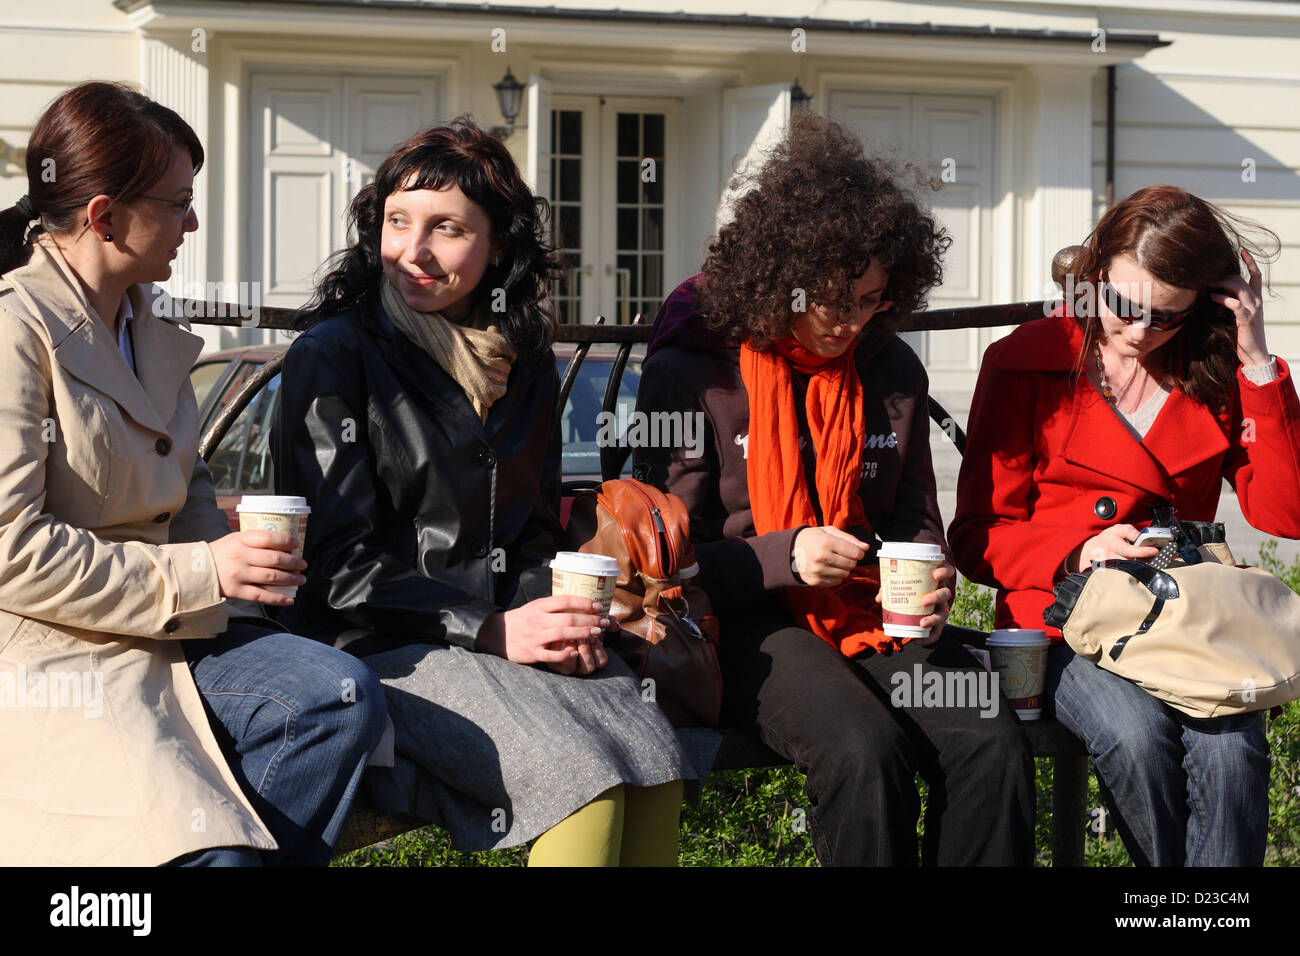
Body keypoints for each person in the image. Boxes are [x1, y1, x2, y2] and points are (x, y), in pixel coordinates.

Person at [272, 117, 697, 866]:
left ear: (498, 244)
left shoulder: (521, 359)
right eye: (397, 222)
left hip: (496, 633)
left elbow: (528, 533)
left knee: (656, 761)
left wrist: (558, 609)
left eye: (448, 229)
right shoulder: (334, 356)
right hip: (378, 645)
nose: (414, 251)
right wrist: (491, 629)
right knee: (584, 781)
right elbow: (336, 565)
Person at [0, 81, 388, 866]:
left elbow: (189, 497)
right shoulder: (15, 330)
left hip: (173, 629)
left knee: (341, 698)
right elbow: (12, 551)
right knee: (202, 846)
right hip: (53, 651)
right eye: (178, 202)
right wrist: (204, 570)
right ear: (105, 217)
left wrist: (238, 564)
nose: (194, 221)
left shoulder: (154, 329)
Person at [632, 112, 1035, 866]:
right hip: (742, 621)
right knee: (862, 749)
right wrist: (785, 555)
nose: (850, 322)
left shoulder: (892, 370)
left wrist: (930, 571)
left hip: (872, 609)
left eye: (872, 298)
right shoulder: (695, 371)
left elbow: (915, 514)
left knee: (990, 739)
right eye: (829, 299)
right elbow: (666, 565)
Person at [949, 184, 1300, 866]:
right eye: (1124, 305)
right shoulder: (1025, 362)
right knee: (1135, 736)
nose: (1140, 330)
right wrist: (1076, 548)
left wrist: (1256, 354)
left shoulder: (1218, 371)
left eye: (1166, 317)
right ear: (1095, 271)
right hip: (1062, 621)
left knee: (1234, 750)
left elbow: (1284, 512)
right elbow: (975, 536)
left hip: (1185, 621)